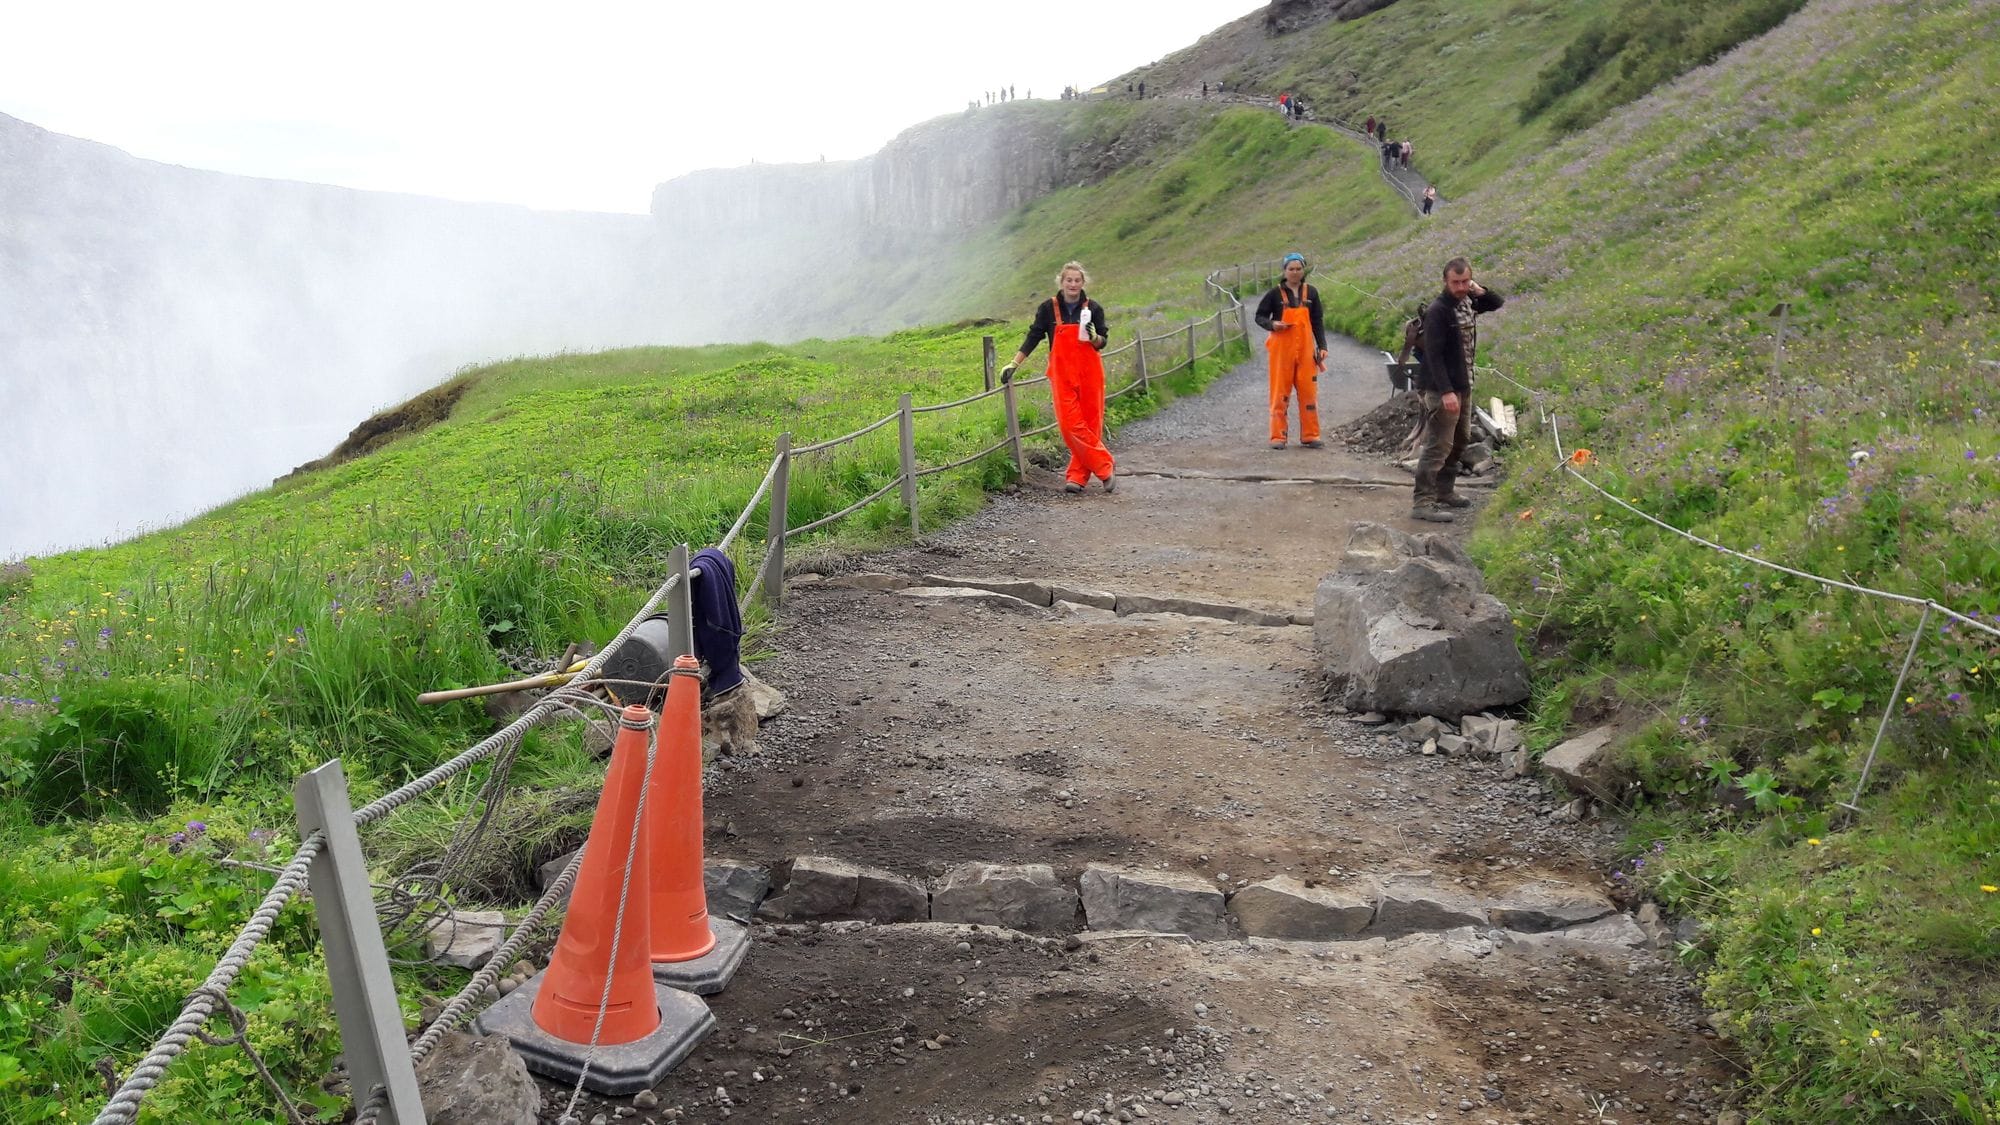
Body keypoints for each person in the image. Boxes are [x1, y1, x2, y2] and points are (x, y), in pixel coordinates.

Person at [1002, 262, 1116, 494]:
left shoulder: (1094, 308)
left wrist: (1095, 338)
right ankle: (1105, 467)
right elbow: (1034, 336)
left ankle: (1077, 476)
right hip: (1062, 374)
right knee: (1069, 425)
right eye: (1069, 280)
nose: (1073, 284)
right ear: (1061, 282)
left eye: (1077, 280)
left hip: (1090, 373)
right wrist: (1015, 363)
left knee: (1091, 424)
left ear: (1083, 283)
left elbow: (1102, 341)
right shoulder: (1048, 308)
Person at [1412, 258, 1505, 522]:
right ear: (1445, 281)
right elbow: (1434, 355)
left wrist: (1478, 290)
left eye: (1465, 281)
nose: (1461, 287)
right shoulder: (1438, 311)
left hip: (1465, 385)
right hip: (1443, 389)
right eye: (1456, 282)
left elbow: (1496, 303)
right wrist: (1446, 392)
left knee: (1461, 439)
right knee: (1438, 444)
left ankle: (1445, 491)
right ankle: (1422, 501)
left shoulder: (1468, 302)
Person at [1254, 253, 1328, 450]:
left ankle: (1311, 435)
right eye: (1291, 269)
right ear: (1284, 271)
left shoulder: (1311, 293)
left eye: (1298, 269)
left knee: (1309, 393)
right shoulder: (1274, 294)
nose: (1295, 272)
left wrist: (1322, 347)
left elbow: (1317, 321)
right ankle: (1278, 437)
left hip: (1306, 351)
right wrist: (1272, 324)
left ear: (1303, 270)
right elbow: (1259, 316)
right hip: (1281, 351)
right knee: (1280, 393)